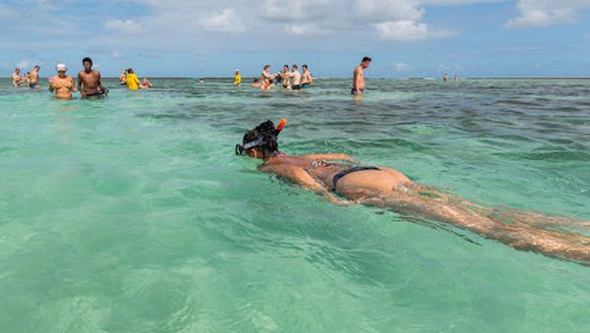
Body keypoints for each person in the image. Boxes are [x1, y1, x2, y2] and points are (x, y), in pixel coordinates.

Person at [236, 120, 590, 264]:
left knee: (477, 226)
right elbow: (339, 156)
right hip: (376, 171)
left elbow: (298, 175)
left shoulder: (271, 165)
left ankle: (578, 252)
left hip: (351, 185)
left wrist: (326, 197)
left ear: (254, 152)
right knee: (480, 208)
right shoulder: (299, 153)